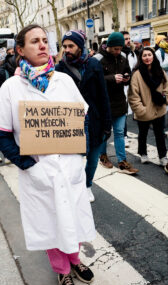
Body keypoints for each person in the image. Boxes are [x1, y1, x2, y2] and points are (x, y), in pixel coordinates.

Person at [0, 24, 96, 285]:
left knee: (72, 216)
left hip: (68, 167)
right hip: (39, 170)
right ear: (20, 49)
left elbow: (81, 117)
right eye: (35, 41)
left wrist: (79, 152)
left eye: (45, 40)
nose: (43, 45)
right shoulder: (12, 87)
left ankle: (75, 259)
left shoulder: (64, 80)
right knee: (51, 222)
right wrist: (25, 164)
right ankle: (62, 270)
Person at [55, 30, 112, 202]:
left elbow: (103, 95)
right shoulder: (60, 68)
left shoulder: (94, 64)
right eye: (64, 46)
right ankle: (75, 187)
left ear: (80, 46)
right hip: (71, 122)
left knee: (93, 159)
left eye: (70, 46)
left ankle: (87, 185)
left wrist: (107, 124)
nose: (67, 49)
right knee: (74, 162)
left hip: (94, 120)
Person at [95, 32, 138, 174]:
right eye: (115, 49)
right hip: (104, 104)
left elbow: (128, 72)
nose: (118, 51)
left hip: (119, 102)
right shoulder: (97, 59)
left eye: (120, 48)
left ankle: (122, 161)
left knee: (119, 133)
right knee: (104, 134)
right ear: (109, 46)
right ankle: (103, 156)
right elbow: (94, 80)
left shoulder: (123, 57)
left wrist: (127, 77)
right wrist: (112, 78)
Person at [128, 47, 168, 167]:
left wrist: (165, 98)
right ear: (141, 58)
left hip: (159, 108)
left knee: (160, 134)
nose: (147, 58)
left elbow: (166, 86)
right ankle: (143, 153)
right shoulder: (137, 74)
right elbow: (133, 95)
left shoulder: (160, 71)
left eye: (149, 55)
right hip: (144, 111)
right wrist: (141, 110)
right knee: (143, 133)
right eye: (144, 55)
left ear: (153, 56)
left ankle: (162, 156)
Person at [121, 31, 137, 148]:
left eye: (129, 38)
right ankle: (124, 136)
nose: (128, 41)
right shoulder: (119, 54)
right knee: (123, 112)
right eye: (125, 39)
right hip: (121, 86)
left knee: (129, 110)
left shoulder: (132, 54)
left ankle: (125, 134)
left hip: (131, 85)